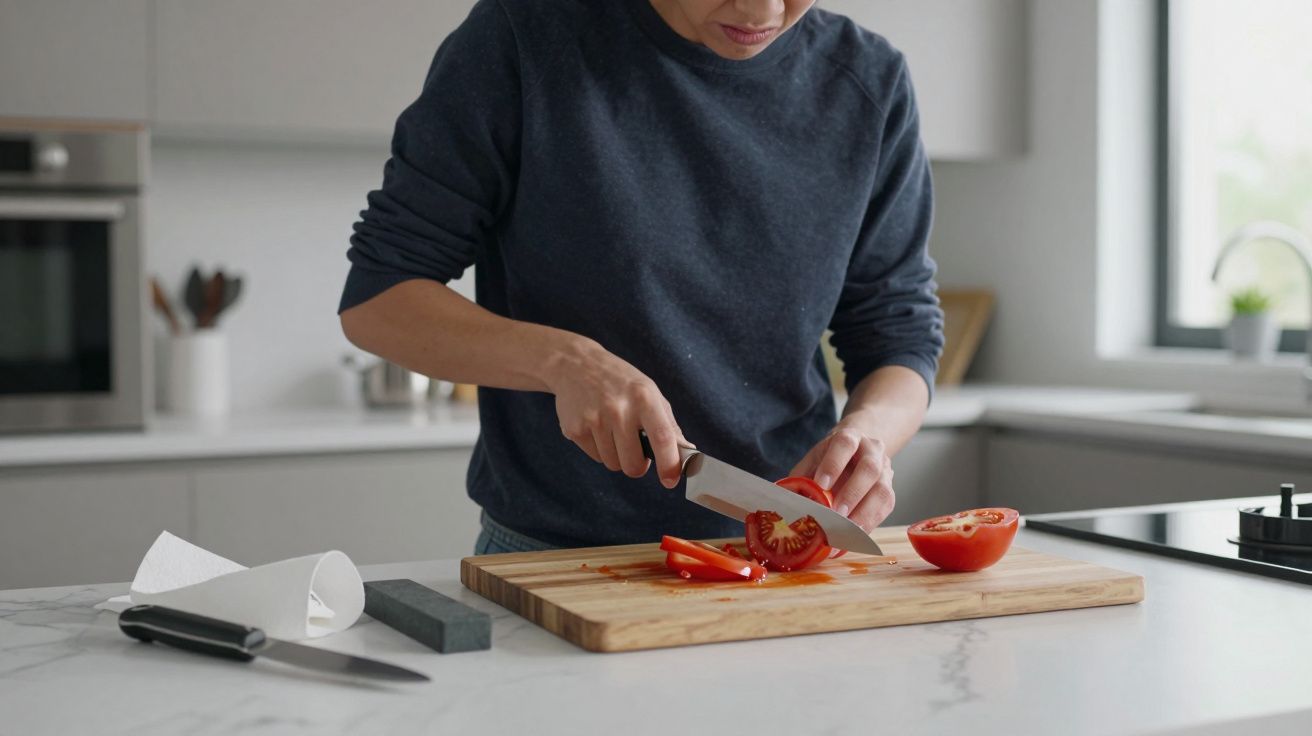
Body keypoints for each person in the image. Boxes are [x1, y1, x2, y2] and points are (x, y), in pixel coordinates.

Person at [338, 0, 944, 555]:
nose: (762, 10)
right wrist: (562, 361)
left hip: (788, 545)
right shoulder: (524, 36)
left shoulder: (870, 81)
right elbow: (379, 298)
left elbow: (899, 336)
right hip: (555, 552)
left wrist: (868, 436)